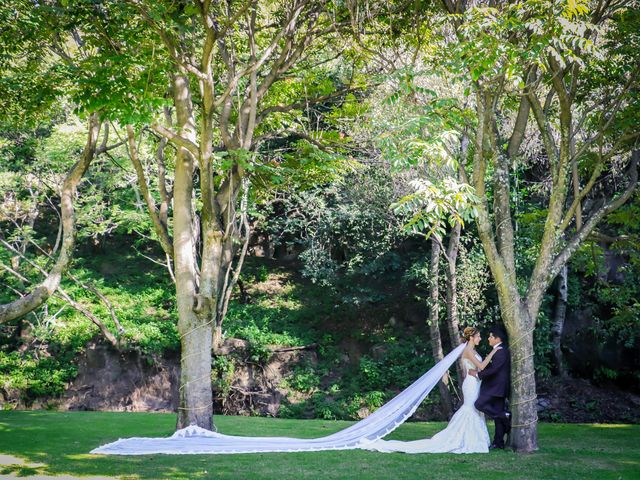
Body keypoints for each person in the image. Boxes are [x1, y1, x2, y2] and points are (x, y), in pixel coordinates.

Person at [363, 327, 499, 454]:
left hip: (475, 383)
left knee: (474, 409)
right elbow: (481, 366)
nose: (480, 338)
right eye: (478, 336)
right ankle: (467, 439)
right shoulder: (468, 351)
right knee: (470, 408)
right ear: (471, 338)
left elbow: (477, 369)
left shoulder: (473, 351)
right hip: (470, 385)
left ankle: (474, 438)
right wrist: (493, 351)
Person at [468, 326, 511, 449]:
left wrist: (477, 374)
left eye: (491, 336)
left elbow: (494, 369)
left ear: (498, 339)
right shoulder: (497, 350)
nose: (488, 338)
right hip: (496, 387)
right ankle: (498, 442)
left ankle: (505, 416)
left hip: (496, 387)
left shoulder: (501, 351)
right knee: (498, 414)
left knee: (479, 404)